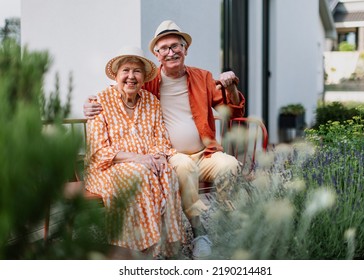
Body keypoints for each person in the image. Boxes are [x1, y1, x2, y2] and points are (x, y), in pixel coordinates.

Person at [84, 20, 245, 259]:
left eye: (175, 46)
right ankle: (198, 232)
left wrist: (231, 87)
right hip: (175, 156)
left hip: (206, 153)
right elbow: (124, 82)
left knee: (230, 165)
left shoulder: (203, 78)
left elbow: (233, 111)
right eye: (164, 48)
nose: (171, 52)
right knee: (180, 166)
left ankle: (228, 224)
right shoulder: (149, 83)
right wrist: (89, 105)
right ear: (157, 55)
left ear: (185, 49)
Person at [84, 46, 183, 259]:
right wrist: (139, 159)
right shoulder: (100, 101)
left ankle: (167, 247)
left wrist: (156, 157)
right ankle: (136, 249)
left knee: (168, 172)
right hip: (108, 168)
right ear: (117, 76)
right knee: (138, 174)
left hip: (146, 163)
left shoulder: (151, 102)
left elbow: (160, 138)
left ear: (143, 77)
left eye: (136, 71)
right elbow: (98, 150)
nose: (131, 76)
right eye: (125, 71)